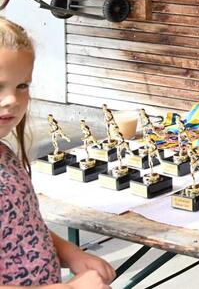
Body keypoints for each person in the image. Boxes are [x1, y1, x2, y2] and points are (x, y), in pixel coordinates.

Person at [0, 17, 115, 289]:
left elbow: (21, 229)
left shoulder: (5, 155)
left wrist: (70, 253)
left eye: (22, 86)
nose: (13, 100)